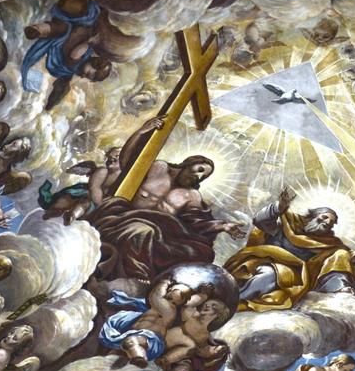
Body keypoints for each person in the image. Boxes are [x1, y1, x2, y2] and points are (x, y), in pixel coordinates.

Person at [87, 117, 246, 283]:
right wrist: (141, 132)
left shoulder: (192, 196)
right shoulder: (159, 168)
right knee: (140, 231)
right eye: (200, 169)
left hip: (158, 234)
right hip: (122, 218)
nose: (199, 176)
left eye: (204, 176)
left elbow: (198, 223)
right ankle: (137, 275)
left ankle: (134, 278)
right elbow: (128, 163)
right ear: (189, 163)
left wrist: (222, 226)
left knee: (191, 250)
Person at [225, 187, 355, 312]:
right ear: (313, 215)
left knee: (341, 253)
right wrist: (278, 208)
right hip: (267, 262)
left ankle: (340, 289)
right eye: (325, 217)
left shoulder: (328, 242)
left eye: (331, 222)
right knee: (269, 274)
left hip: (297, 276)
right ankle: (231, 301)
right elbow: (261, 221)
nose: (327, 223)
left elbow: (339, 256)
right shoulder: (288, 223)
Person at [21, 0, 112, 110]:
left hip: (64, 36)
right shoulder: (88, 56)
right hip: (76, 26)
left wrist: (88, 43)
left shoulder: (75, 65)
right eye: (88, 73)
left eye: (87, 77)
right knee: (83, 14)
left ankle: (37, 30)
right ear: (95, 63)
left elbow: (75, 54)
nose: (84, 76)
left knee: (58, 29)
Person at [39, 145, 122, 225]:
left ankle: (71, 216)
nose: (112, 159)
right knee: (69, 198)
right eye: (109, 157)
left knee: (84, 204)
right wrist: (100, 206)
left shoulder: (123, 176)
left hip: (98, 202)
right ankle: (53, 210)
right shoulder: (102, 171)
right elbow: (94, 188)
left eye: (117, 156)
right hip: (89, 195)